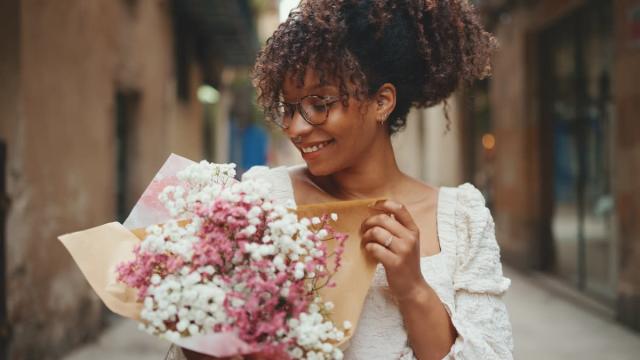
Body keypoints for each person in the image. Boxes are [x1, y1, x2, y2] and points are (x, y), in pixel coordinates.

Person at [171, 0, 513, 359]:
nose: (295, 128)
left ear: (382, 101)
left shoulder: (462, 221)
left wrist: (412, 287)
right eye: (288, 108)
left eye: (319, 104)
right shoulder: (262, 202)